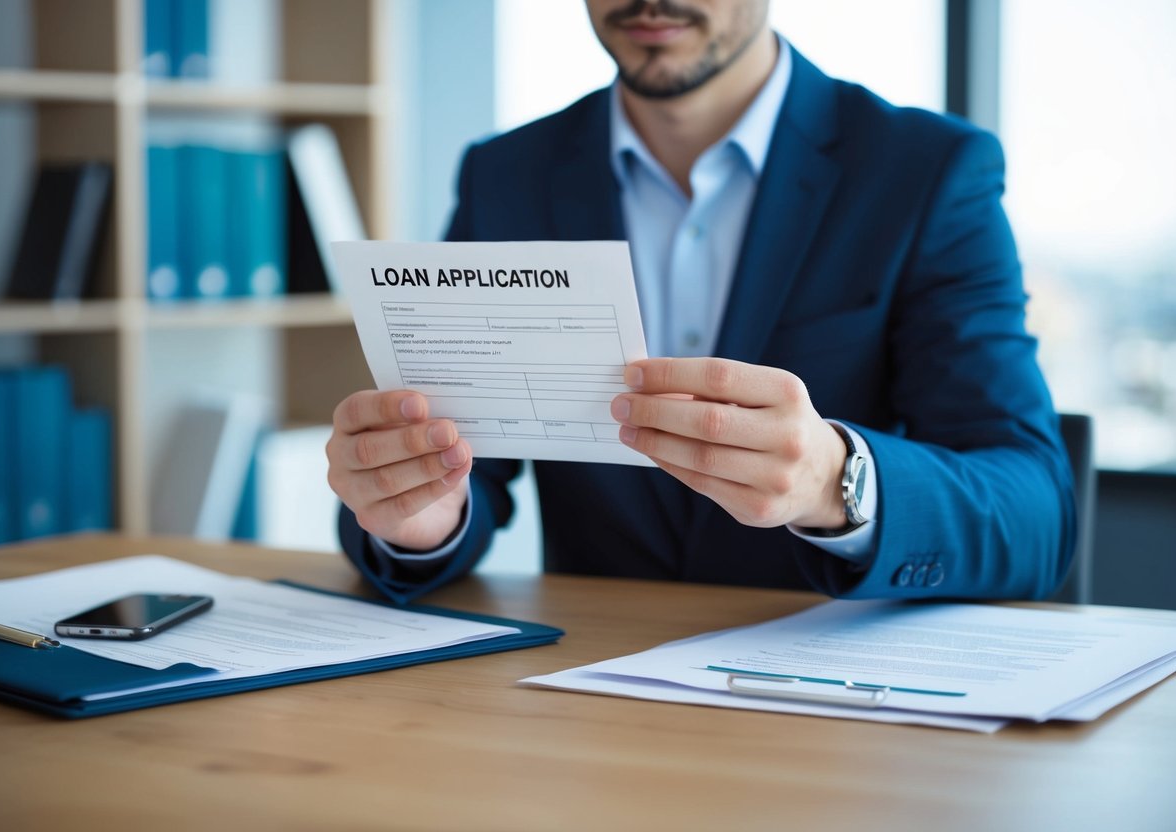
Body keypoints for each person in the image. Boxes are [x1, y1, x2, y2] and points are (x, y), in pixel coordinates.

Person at [326, 0, 1076, 604]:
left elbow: (1035, 513)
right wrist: (421, 519)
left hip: (844, 718)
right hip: (586, 701)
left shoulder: (924, 172)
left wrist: (834, 480)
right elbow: (467, 460)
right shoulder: (504, 175)